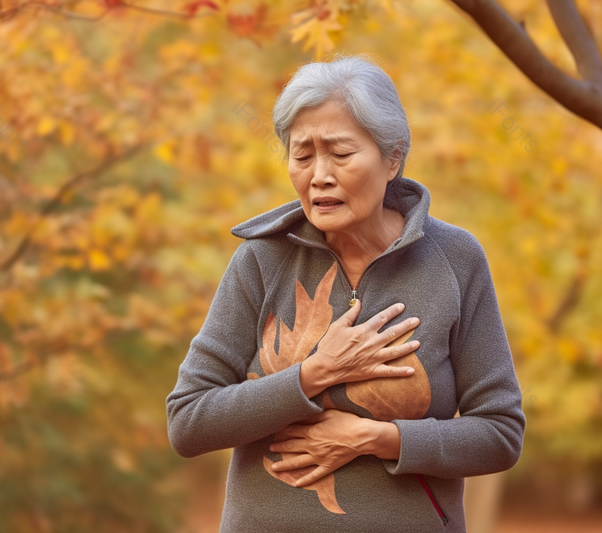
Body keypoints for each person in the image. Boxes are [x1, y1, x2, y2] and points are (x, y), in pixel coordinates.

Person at [166, 53, 525, 532]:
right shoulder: (261, 260)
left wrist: (378, 439)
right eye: (302, 155)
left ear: (392, 158)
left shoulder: (456, 260)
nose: (319, 175)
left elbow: (500, 432)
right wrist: (314, 374)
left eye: (340, 154)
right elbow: (188, 421)